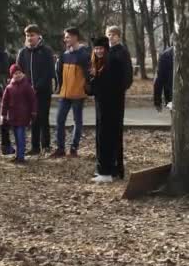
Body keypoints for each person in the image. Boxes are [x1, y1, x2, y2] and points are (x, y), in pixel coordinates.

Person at [89, 36, 127, 183]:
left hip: (112, 107)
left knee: (108, 137)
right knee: (103, 136)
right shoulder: (96, 63)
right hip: (102, 106)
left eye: (101, 49)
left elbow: (111, 86)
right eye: (96, 49)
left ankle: (108, 171)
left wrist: (96, 78)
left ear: (106, 49)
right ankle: (106, 169)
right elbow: (92, 90)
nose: (98, 51)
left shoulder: (113, 62)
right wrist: (92, 77)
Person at [16, 24, 55, 155]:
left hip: (43, 91)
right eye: (27, 35)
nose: (30, 38)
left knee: (43, 117)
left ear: (38, 36)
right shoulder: (22, 52)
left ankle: (46, 145)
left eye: (32, 35)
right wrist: (25, 86)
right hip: (28, 92)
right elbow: (18, 70)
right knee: (34, 119)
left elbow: (49, 72)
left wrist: (37, 86)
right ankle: (35, 147)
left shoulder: (46, 51)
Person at [52, 27, 90, 158]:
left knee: (77, 121)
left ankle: (74, 149)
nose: (65, 39)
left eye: (67, 37)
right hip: (65, 94)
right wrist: (60, 87)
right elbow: (59, 74)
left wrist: (87, 89)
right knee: (59, 120)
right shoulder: (65, 55)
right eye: (65, 37)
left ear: (75, 38)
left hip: (78, 94)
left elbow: (89, 75)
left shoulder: (84, 55)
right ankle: (60, 149)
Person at [105, 26, 133, 179]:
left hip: (117, 97)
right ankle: (108, 166)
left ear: (119, 37)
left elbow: (128, 76)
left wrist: (119, 89)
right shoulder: (104, 51)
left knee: (116, 132)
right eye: (109, 34)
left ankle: (118, 167)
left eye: (114, 35)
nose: (111, 37)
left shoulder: (122, 52)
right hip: (105, 97)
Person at [1, 64, 37, 163]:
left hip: (23, 115)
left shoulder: (26, 86)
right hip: (13, 115)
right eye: (15, 74)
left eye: (19, 73)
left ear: (22, 73)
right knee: (16, 136)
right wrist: (3, 114)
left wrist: (33, 112)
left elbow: (33, 99)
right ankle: (18, 155)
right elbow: (5, 101)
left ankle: (21, 156)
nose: (18, 75)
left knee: (21, 135)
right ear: (12, 75)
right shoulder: (9, 87)